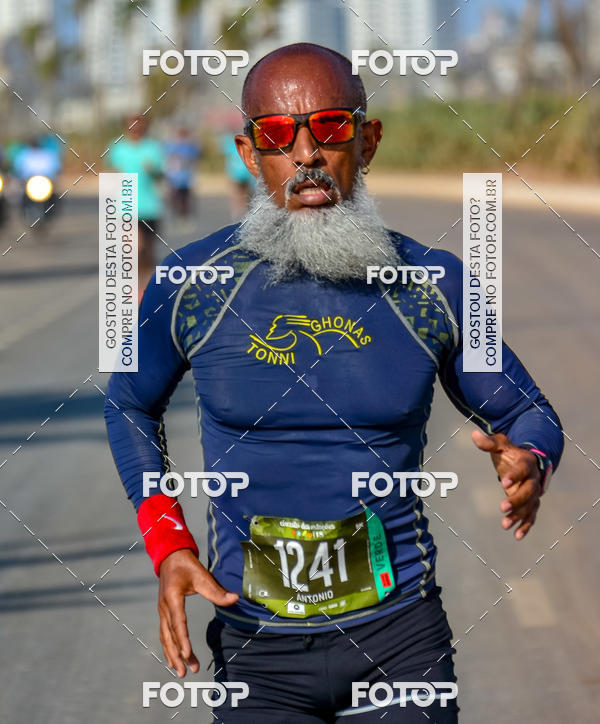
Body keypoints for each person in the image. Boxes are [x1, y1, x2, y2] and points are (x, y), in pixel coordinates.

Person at [105, 44, 563, 721]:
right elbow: (127, 402)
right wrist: (168, 542)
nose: (306, 154)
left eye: (329, 127)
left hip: (401, 643)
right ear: (249, 154)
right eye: (277, 135)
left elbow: (528, 412)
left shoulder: (431, 285)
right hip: (257, 653)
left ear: (367, 140)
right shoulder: (193, 284)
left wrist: (531, 460)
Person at [108, 114, 165, 298]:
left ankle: (148, 288)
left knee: (148, 251)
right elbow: (112, 173)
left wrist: (153, 170)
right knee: (134, 249)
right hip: (125, 208)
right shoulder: (118, 148)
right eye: (131, 125)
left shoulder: (153, 148)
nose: (135, 129)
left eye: (139, 125)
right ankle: (132, 287)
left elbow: (161, 175)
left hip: (150, 208)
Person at [165, 127, 201, 224]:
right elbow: (168, 159)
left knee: (186, 197)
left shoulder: (190, 146)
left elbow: (195, 159)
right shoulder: (172, 146)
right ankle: (176, 214)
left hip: (186, 176)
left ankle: (185, 215)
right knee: (175, 197)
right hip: (174, 177)